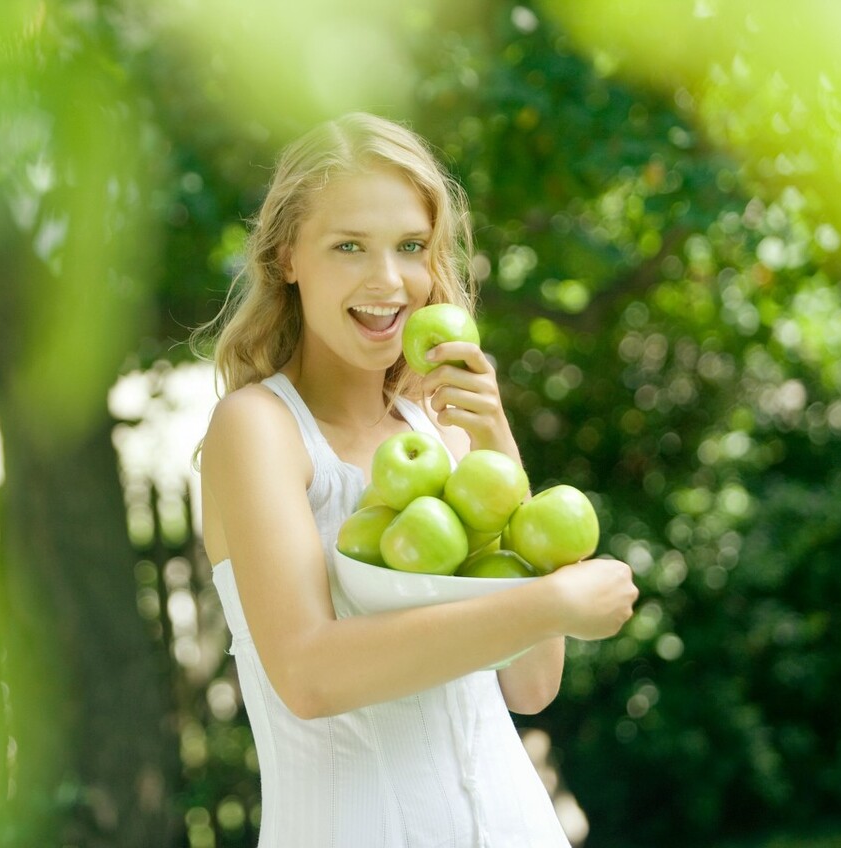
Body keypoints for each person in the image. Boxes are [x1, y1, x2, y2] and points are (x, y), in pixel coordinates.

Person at [194, 112, 639, 847]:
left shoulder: (445, 431)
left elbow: (530, 686)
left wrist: (497, 442)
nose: (389, 280)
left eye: (410, 246)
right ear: (286, 259)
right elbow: (309, 675)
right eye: (349, 247)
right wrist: (550, 597)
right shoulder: (258, 428)